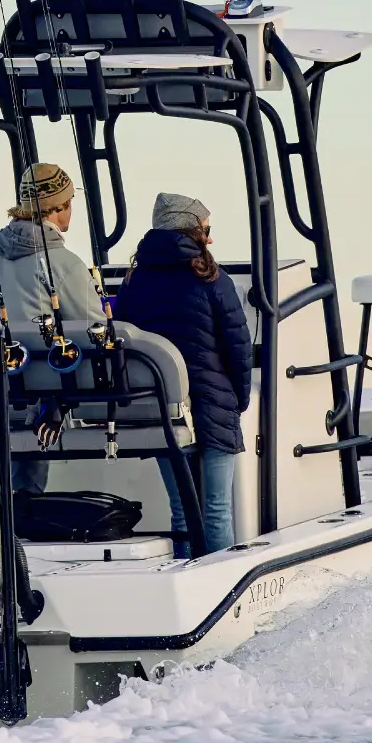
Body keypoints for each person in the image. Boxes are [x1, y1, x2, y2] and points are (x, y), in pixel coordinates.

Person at [0, 162, 105, 521]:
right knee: (41, 403)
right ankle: (26, 529)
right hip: (37, 411)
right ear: (58, 208)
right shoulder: (67, 265)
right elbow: (93, 332)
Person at [109, 192, 250, 557]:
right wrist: (240, 399)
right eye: (207, 228)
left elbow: (123, 344)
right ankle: (222, 588)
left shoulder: (133, 282)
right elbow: (238, 346)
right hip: (215, 405)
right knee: (217, 510)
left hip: (162, 410)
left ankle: (187, 584)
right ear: (191, 231)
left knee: (183, 511)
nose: (211, 237)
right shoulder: (213, 279)